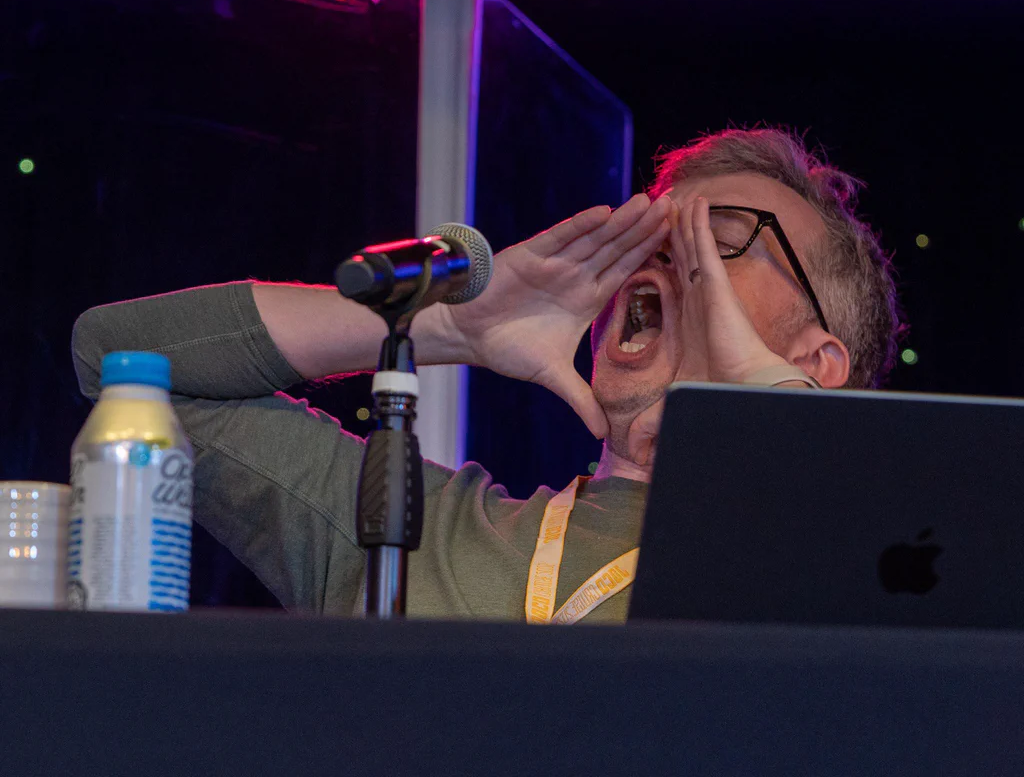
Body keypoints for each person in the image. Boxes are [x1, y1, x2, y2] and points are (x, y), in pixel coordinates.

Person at [71, 127, 902, 623]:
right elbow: (121, 359)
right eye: (650, 230)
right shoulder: (422, 534)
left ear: (813, 366)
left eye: (715, 241)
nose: (662, 254)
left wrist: (771, 415)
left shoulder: (861, 579)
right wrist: (445, 325)